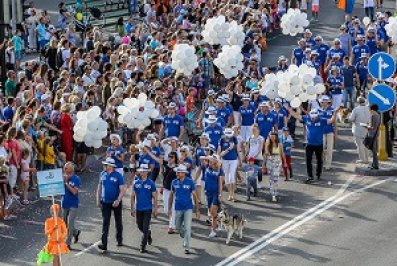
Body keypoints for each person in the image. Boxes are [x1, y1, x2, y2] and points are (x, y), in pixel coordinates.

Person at [287, 108, 336, 183]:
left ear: (317, 116)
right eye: (312, 117)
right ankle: (310, 176)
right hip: (309, 144)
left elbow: (331, 120)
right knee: (308, 160)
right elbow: (296, 116)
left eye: (314, 117)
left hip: (319, 144)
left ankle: (318, 174)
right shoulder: (307, 118)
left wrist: (335, 112)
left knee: (319, 160)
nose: (313, 119)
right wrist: (289, 109)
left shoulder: (322, 120)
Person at [168, 164, 200, 255]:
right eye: (177, 172)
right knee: (177, 227)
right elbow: (171, 195)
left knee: (187, 227)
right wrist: (169, 208)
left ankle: (186, 246)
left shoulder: (190, 182)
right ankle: (183, 233)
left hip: (188, 208)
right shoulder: (174, 182)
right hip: (177, 208)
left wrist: (197, 210)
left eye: (179, 172)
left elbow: (195, 196)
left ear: (183, 173)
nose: (177, 173)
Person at [97, 158, 126, 252]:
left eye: (106, 165)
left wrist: (118, 200)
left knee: (118, 221)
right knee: (105, 223)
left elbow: (122, 190)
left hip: (116, 202)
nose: (104, 166)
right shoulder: (102, 174)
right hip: (105, 202)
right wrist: (98, 199)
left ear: (111, 166)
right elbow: (99, 188)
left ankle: (119, 239)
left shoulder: (118, 176)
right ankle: (104, 244)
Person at [130, 164, 158, 253]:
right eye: (141, 171)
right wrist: (132, 208)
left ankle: (143, 246)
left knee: (145, 227)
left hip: (148, 208)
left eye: (144, 171)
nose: (143, 172)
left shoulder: (151, 183)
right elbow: (132, 196)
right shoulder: (136, 182)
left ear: (147, 172)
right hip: (139, 208)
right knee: (139, 226)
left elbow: (155, 196)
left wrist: (155, 208)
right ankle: (148, 234)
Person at [200, 154, 223, 238]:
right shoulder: (206, 166)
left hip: (215, 193)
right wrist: (208, 157)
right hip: (208, 192)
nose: (211, 161)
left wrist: (220, 194)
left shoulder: (219, 170)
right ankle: (219, 219)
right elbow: (200, 158)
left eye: (213, 160)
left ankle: (213, 231)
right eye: (211, 160)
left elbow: (220, 183)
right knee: (211, 212)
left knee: (213, 211)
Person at [61, 162, 81, 250]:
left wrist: (66, 183)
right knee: (65, 225)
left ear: (71, 169)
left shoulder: (76, 179)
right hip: (64, 203)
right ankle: (76, 232)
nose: (64, 169)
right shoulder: (62, 178)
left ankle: (68, 243)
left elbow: (74, 192)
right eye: (64, 168)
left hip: (73, 204)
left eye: (66, 168)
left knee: (70, 224)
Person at [218, 128, 239, 201]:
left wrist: (240, 159)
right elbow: (220, 152)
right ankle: (230, 194)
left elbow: (237, 149)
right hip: (224, 160)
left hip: (233, 160)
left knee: (231, 176)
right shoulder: (221, 140)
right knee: (226, 177)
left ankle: (232, 194)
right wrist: (229, 149)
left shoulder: (234, 138)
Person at [265, 132, 285, 202]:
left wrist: (285, 163)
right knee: (271, 178)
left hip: (277, 163)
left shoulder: (280, 145)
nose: (272, 138)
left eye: (274, 136)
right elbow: (266, 154)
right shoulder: (267, 144)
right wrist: (263, 164)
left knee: (276, 178)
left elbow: (282, 154)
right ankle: (272, 192)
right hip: (270, 162)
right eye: (271, 136)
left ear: (276, 137)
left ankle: (275, 192)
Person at [349, 97, 371, 163]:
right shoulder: (368, 109)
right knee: (366, 145)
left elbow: (351, 119)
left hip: (358, 129)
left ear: (358, 102)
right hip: (367, 128)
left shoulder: (356, 110)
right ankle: (367, 159)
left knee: (360, 145)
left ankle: (363, 159)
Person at [162, 151, 178, 234]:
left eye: (172, 157)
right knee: (166, 209)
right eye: (169, 156)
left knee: (172, 208)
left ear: (175, 159)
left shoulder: (177, 168)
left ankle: (171, 226)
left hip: (173, 191)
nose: (170, 158)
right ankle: (175, 221)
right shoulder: (165, 165)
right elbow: (164, 178)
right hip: (165, 189)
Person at [319, 96, 335, 171]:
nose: (322, 103)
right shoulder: (318, 110)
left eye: (323, 102)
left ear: (327, 102)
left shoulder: (332, 110)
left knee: (329, 149)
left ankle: (328, 165)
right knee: (321, 148)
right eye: (321, 102)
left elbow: (334, 122)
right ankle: (322, 162)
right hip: (321, 132)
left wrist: (336, 133)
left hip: (330, 131)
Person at [367, 104, 381, 170]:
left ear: (372, 110)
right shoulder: (378, 115)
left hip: (371, 135)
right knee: (374, 151)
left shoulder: (372, 116)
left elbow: (372, 127)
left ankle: (375, 165)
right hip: (376, 134)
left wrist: (366, 126)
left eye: (370, 109)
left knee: (373, 151)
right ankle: (374, 164)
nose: (369, 111)